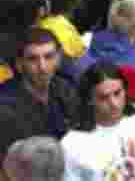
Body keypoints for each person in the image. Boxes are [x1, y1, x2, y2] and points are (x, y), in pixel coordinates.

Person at [61, 62, 135, 180]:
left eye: (117, 93)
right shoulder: (71, 144)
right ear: (89, 100)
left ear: (125, 90)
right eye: (103, 97)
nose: (114, 103)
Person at [0, 29, 80, 161]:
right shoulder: (5, 106)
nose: (42, 67)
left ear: (58, 58)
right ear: (19, 64)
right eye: (32, 59)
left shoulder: (65, 88)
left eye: (48, 57)